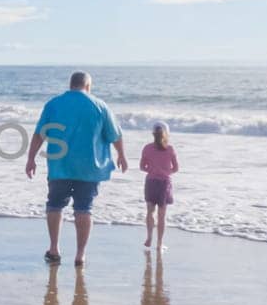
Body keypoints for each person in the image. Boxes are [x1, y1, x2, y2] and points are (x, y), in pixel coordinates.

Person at [25, 71, 126, 267]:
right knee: (84, 208)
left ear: (70, 85)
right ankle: (80, 255)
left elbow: (39, 134)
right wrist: (121, 155)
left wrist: (30, 158)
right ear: (88, 86)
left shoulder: (53, 104)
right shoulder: (100, 106)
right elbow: (115, 135)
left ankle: (54, 248)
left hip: (59, 165)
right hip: (89, 167)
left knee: (54, 205)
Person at [139, 121, 178, 251]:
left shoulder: (147, 148)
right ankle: (159, 243)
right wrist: (166, 172)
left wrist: (152, 170)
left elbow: (142, 167)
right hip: (164, 184)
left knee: (150, 212)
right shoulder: (170, 149)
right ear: (166, 133)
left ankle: (149, 237)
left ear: (153, 133)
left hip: (151, 182)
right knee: (162, 215)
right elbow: (176, 168)